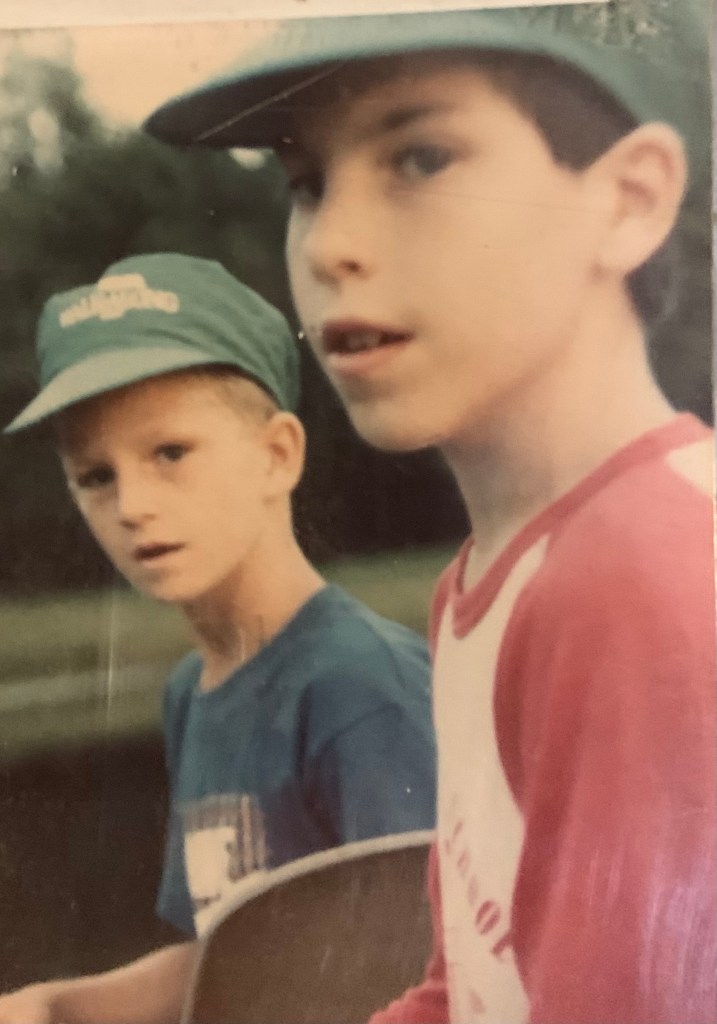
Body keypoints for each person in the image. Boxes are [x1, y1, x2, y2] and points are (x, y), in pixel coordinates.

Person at [144, 3, 716, 1023]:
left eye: (420, 159)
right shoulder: (488, 580)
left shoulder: (638, 574)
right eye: (307, 183)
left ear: (629, 200)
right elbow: (475, 987)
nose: (330, 245)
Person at [0, 252, 436, 1024]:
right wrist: (55, 1006)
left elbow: (434, 960)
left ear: (277, 456)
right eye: (96, 476)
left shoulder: (358, 684)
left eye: (170, 454)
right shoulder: (192, 692)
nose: (132, 505)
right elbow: (228, 954)